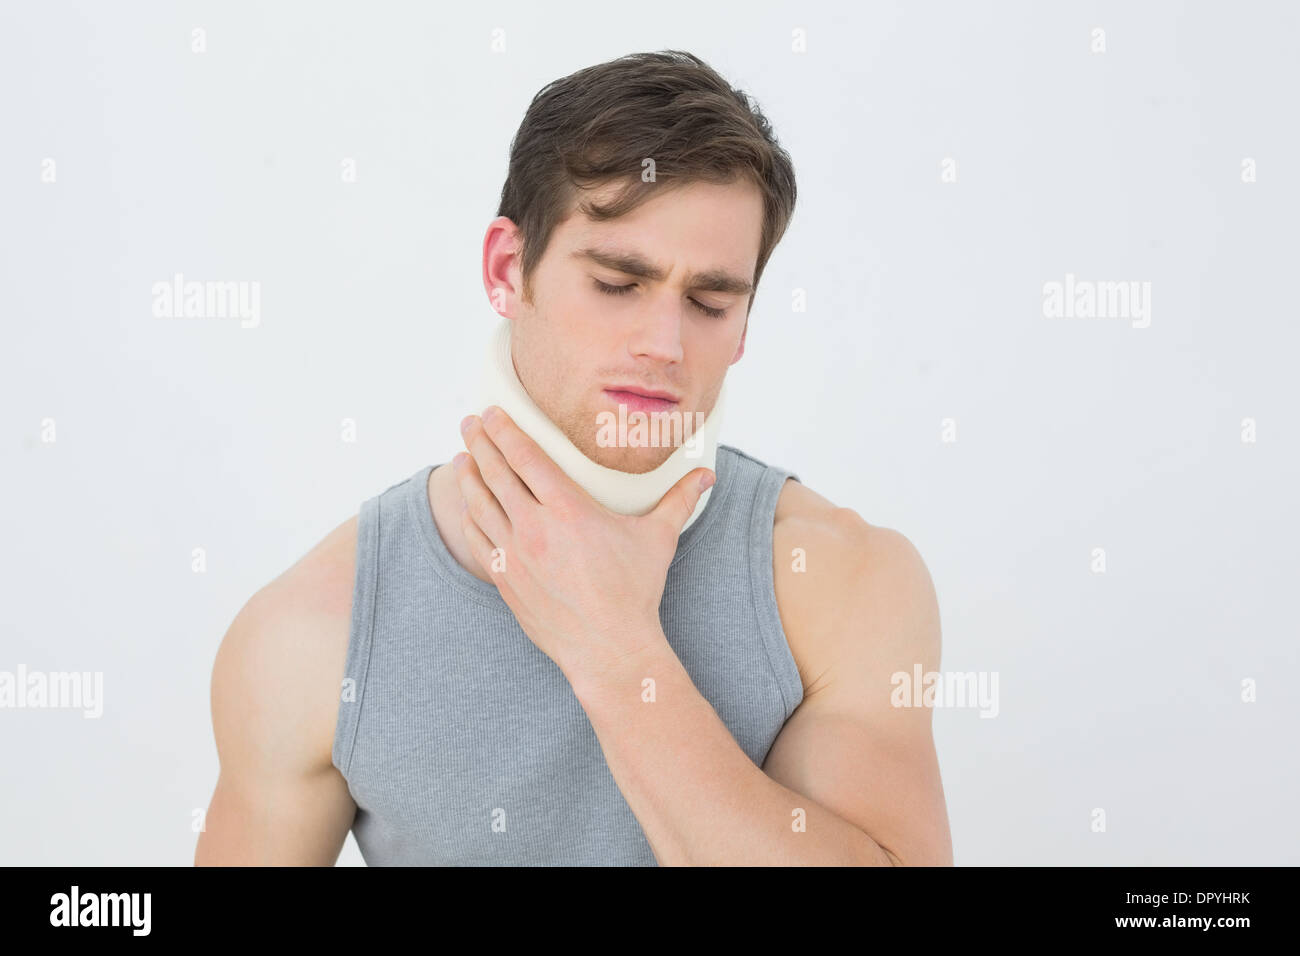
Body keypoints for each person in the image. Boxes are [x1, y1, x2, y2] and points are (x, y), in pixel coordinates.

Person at [195, 49, 952, 866]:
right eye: (617, 283)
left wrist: (614, 648)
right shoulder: (315, 632)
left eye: (709, 301)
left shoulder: (840, 580)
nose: (664, 345)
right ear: (505, 271)